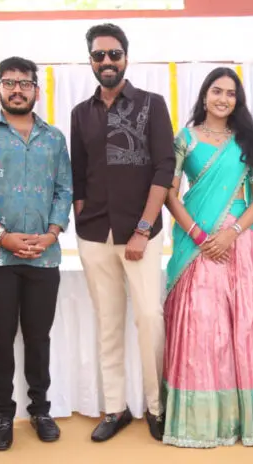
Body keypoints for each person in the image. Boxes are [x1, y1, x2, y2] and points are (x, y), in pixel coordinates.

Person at [162, 67, 253, 448]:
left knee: (247, 326)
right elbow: (170, 194)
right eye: (217, 91)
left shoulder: (250, 141)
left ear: (238, 100)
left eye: (231, 93)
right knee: (203, 327)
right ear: (204, 95)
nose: (223, 99)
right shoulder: (184, 139)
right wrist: (199, 235)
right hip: (198, 242)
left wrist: (232, 232)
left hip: (240, 243)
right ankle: (206, 420)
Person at [0, 56, 73, 451]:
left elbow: (65, 189)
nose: (17, 89)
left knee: (39, 337)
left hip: (44, 255)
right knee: (1, 337)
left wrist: (52, 234)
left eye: (25, 83)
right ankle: (2, 416)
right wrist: (2, 236)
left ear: (36, 91)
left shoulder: (54, 138)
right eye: (9, 82)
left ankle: (40, 410)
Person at [70, 23, 175, 442]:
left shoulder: (152, 104)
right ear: (91, 61)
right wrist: (82, 219)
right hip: (95, 234)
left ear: (126, 57)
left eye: (114, 54)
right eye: (99, 55)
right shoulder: (81, 113)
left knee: (149, 318)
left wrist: (143, 229)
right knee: (108, 322)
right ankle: (115, 408)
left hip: (141, 233)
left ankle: (157, 407)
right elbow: (78, 173)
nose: (107, 61)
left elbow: (164, 168)